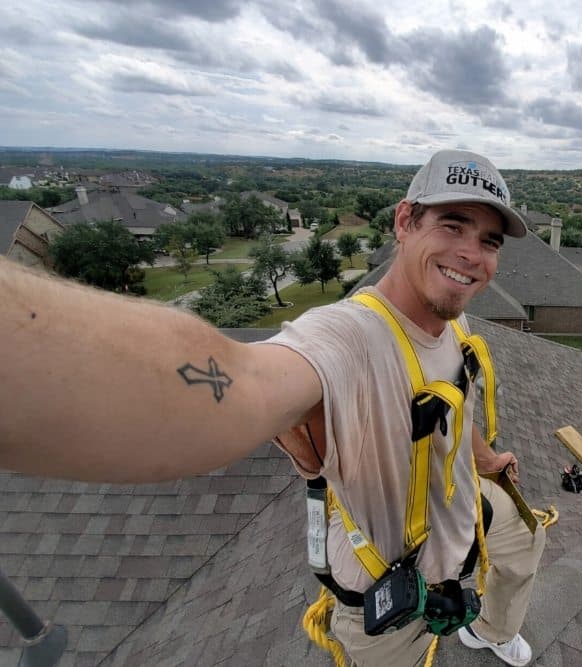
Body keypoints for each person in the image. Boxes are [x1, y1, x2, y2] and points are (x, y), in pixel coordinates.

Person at [0, 149, 546, 667]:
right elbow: (240, 385)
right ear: (404, 221)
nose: (472, 255)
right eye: (452, 226)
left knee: (527, 535)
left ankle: (491, 629)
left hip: (460, 516)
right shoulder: (350, 337)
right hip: (391, 579)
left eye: (489, 241)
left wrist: (485, 458)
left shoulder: (454, 320)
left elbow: (456, 406)